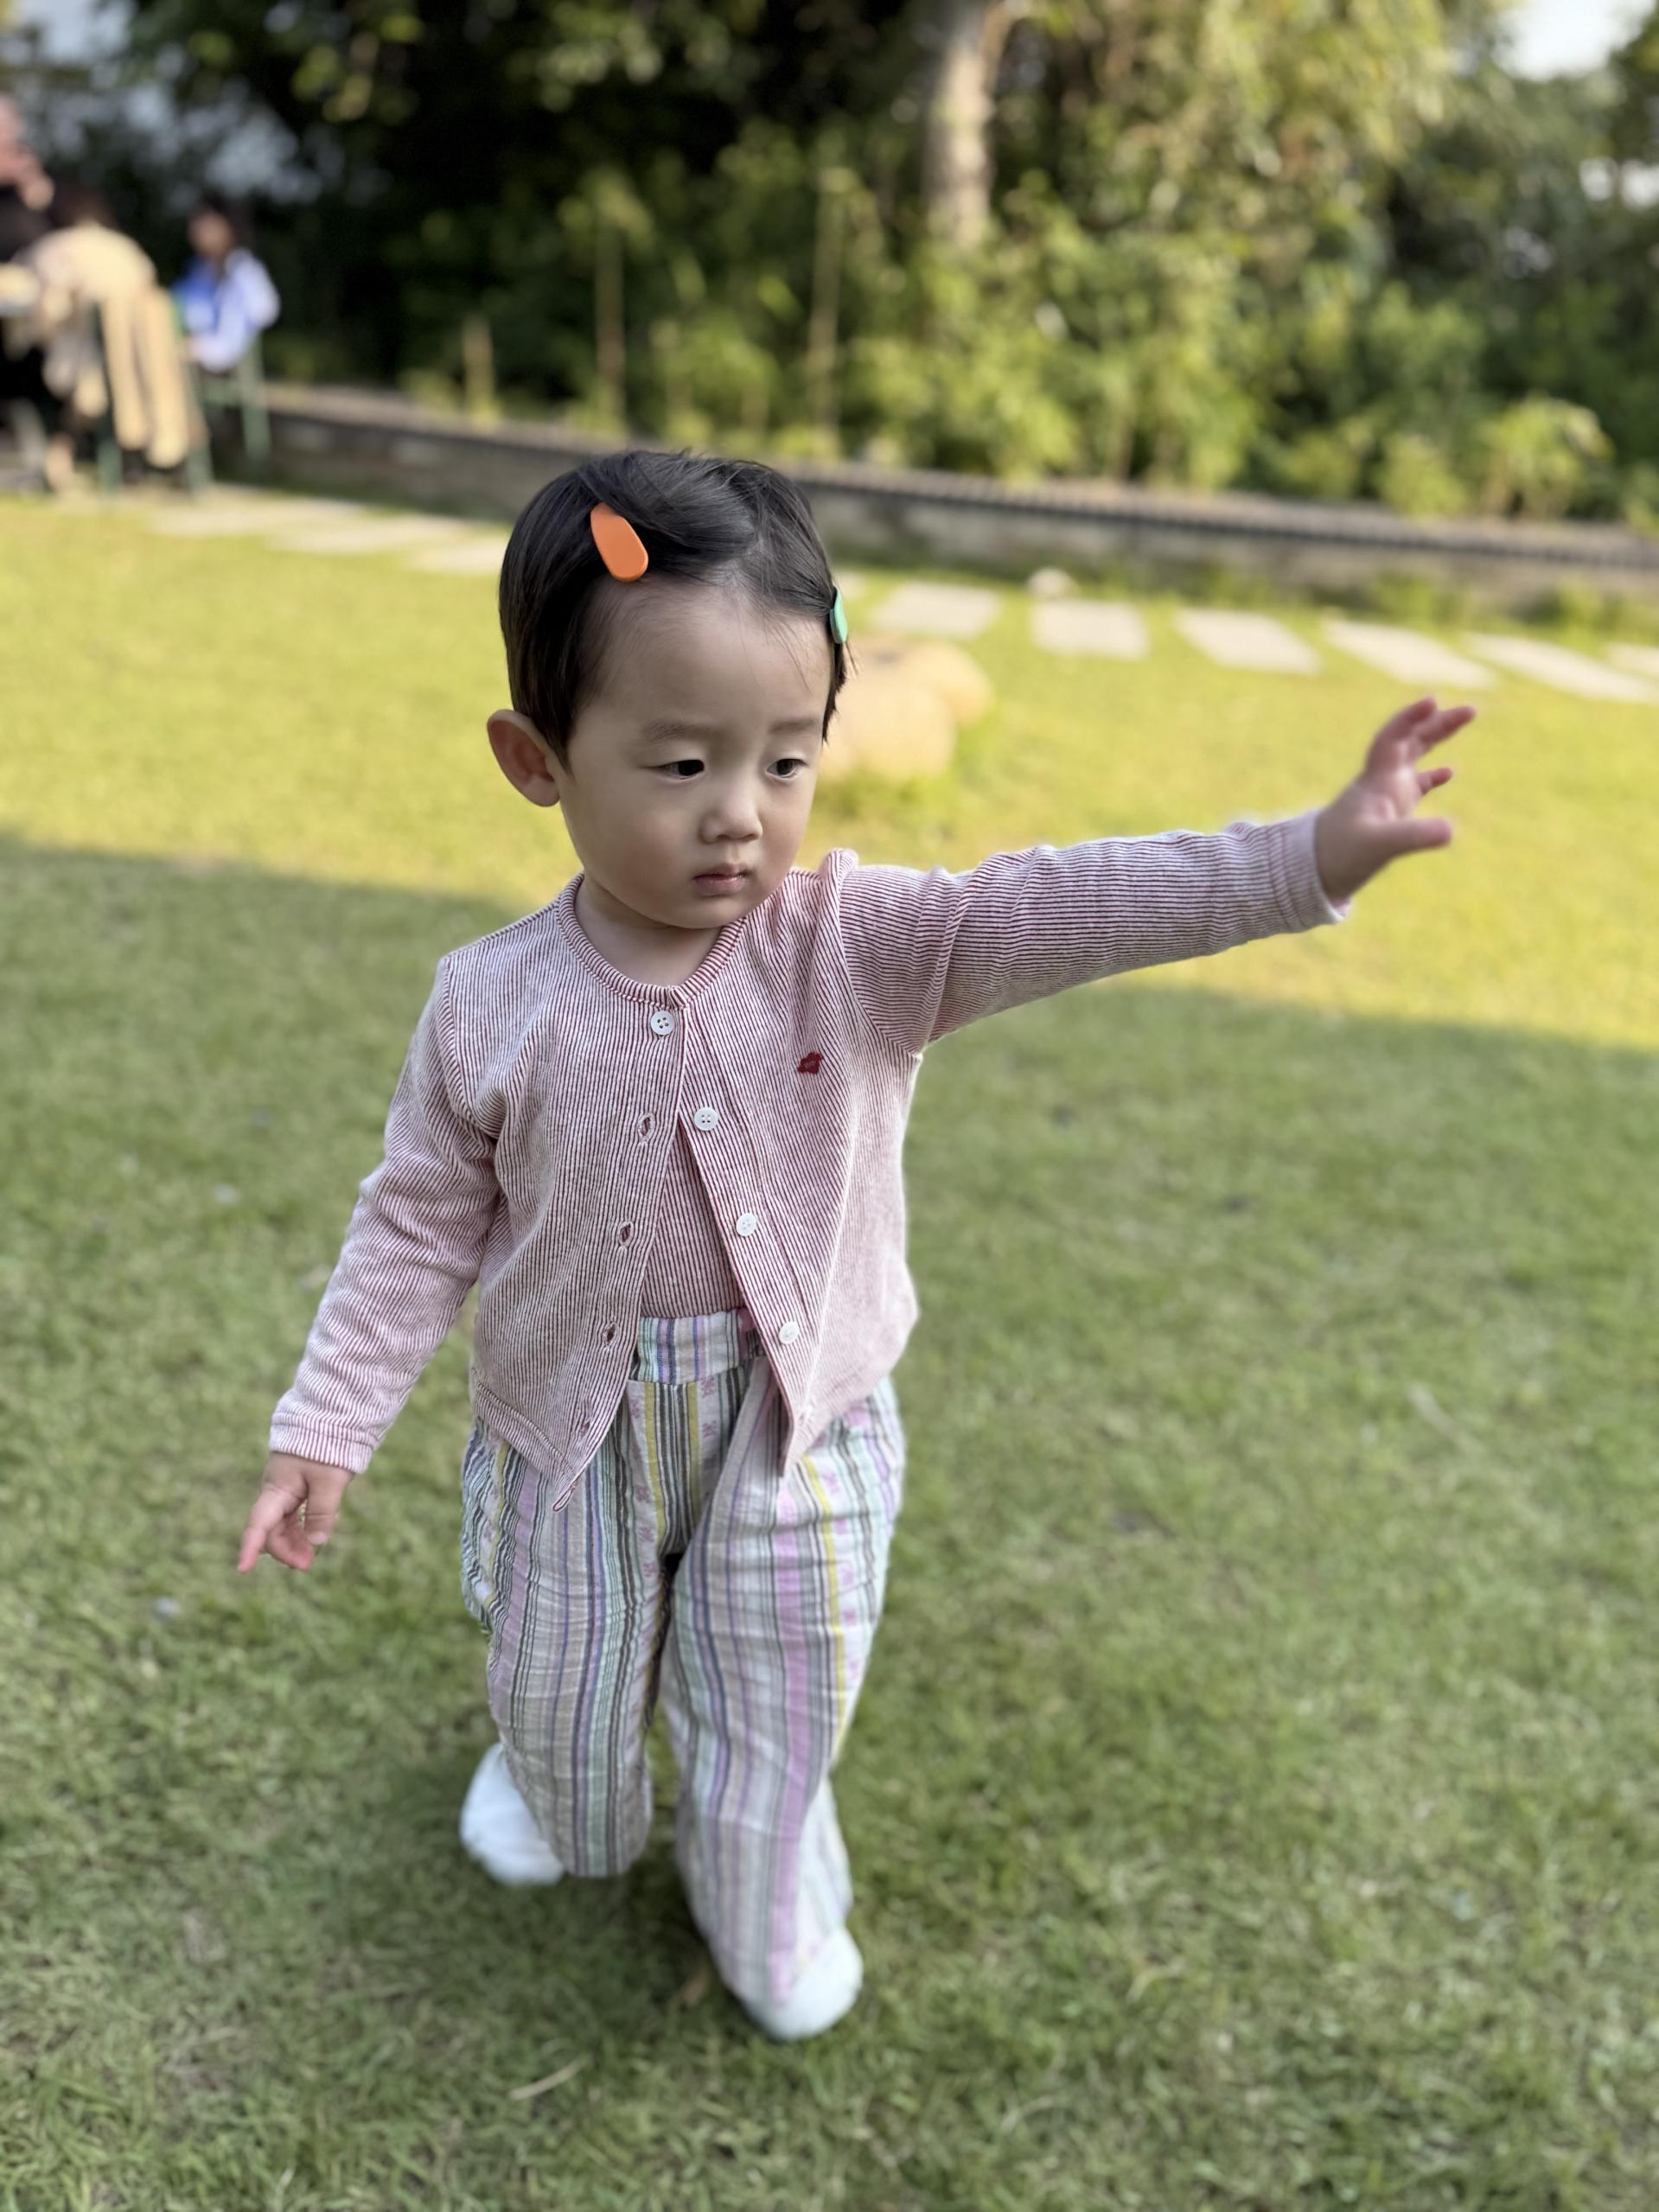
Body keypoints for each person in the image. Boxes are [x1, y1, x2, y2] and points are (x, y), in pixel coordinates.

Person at [235, 448, 1472, 2042]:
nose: (739, 814)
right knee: (558, 1682)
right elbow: (415, 1218)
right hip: (565, 1434)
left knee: (777, 1699)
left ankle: (764, 1899)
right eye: (680, 762)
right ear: (535, 759)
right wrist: (327, 1421)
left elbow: (1069, 901)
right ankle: (556, 1794)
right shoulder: (489, 1001)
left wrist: (1305, 856)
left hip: (795, 1427)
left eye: (785, 759)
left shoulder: (860, 944)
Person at [171, 191, 278, 373]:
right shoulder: (198, 271)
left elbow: (230, 343)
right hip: (196, 351)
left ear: (227, 226)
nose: (195, 230)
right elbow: (176, 307)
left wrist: (196, 346)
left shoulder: (245, 274)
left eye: (204, 224)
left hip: (224, 357)